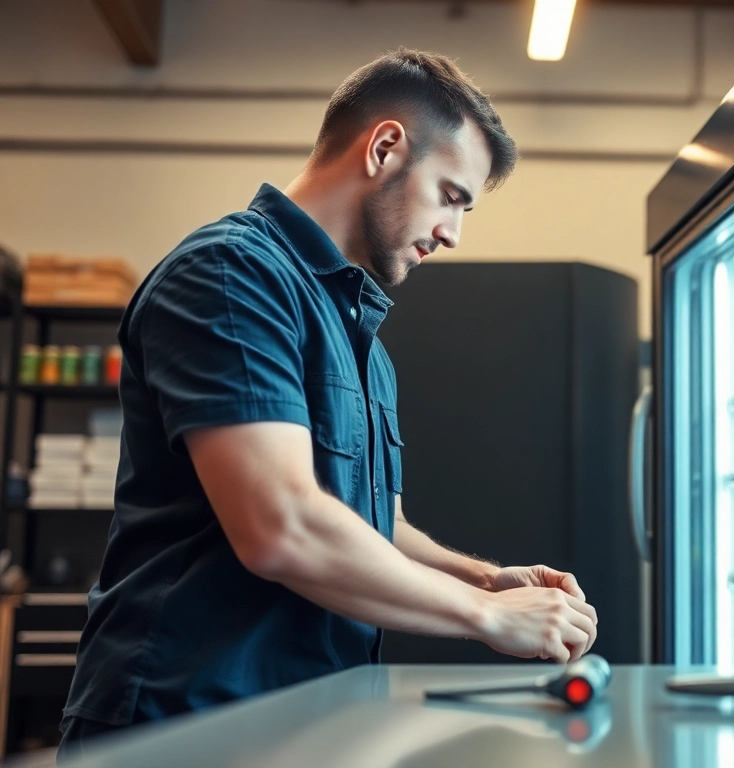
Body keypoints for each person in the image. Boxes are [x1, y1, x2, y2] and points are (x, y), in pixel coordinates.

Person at [58, 49, 598, 759]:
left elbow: (374, 524)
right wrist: (487, 614)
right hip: (184, 726)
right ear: (383, 148)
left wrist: (485, 576)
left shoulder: (363, 340)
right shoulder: (230, 275)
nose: (452, 234)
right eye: (451, 196)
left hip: (308, 726)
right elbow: (282, 526)